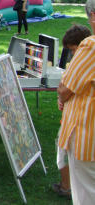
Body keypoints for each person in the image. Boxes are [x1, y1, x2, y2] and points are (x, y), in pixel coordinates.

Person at [57, 0, 95, 204]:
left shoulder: (90, 46)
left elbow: (65, 89)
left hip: (87, 137)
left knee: (86, 195)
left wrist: (62, 91)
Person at [52, 24, 91, 199]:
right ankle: (66, 184)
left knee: (85, 187)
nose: (73, 54)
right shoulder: (79, 61)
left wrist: (62, 96)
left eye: (74, 50)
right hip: (73, 121)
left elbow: (65, 90)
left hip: (82, 127)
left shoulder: (88, 53)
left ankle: (67, 186)